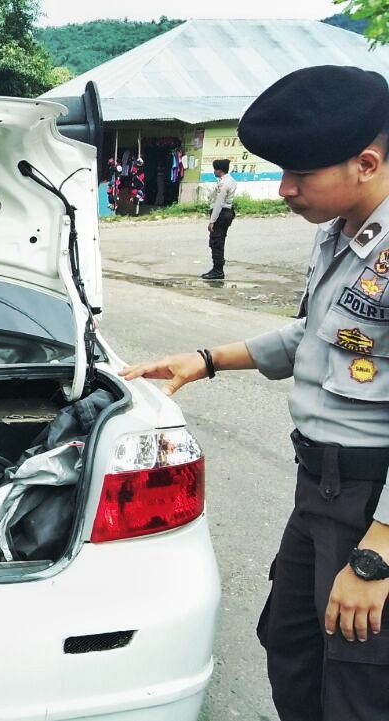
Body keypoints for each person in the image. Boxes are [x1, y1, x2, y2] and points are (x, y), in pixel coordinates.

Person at [121, 65, 389, 721]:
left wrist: (379, 548)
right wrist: (207, 359)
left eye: (301, 173)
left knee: (359, 680)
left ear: (366, 162)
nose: (285, 188)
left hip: (370, 496)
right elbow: (319, 334)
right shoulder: (340, 232)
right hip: (321, 488)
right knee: (293, 644)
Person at [201, 158, 238, 279]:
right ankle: (217, 269)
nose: (214, 172)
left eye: (215, 169)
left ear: (219, 170)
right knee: (219, 240)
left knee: (216, 242)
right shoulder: (230, 180)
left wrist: (212, 221)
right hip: (227, 212)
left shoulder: (224, 183)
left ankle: (218, 270)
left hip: (221, 213)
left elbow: (219, 203)